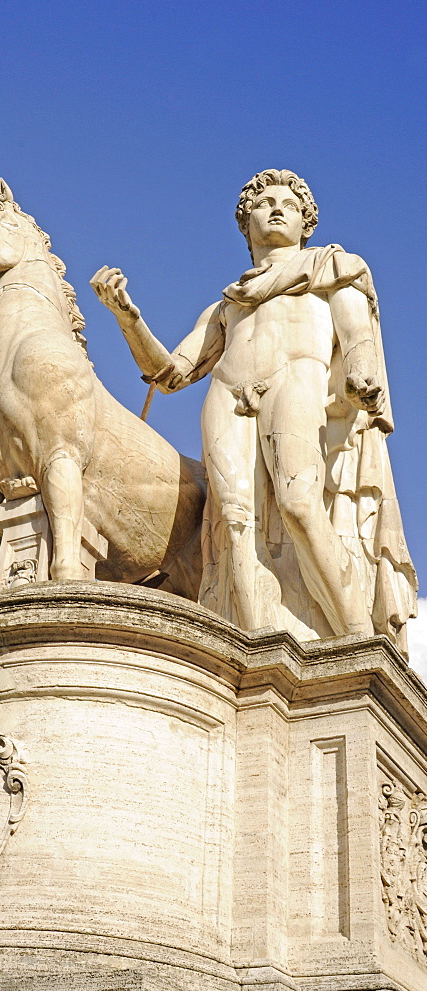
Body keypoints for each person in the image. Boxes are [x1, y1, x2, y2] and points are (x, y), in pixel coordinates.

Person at [91, 169, 416, 651]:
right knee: (234, 522)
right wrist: (128, 317)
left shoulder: (333, 267)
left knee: (298, 503)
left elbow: (357, 334)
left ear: (306, 222)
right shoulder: (228, 304)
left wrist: (363, 370)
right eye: (263, 204)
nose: (276, 209)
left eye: (288, 203)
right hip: (227, 395)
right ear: (246, 226)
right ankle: (253, 640)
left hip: (296, 380)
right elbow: (169, 374)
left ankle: (357, 638)